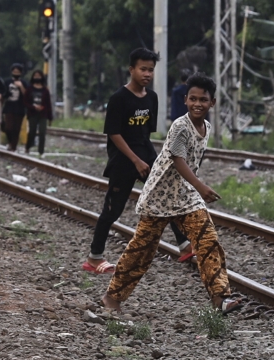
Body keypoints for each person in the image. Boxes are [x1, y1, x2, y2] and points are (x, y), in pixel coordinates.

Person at [100, 72, 242, 315]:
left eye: (203, 100)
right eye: (193, 99)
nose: (198, 104)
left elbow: (194, 160)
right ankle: (111, 298)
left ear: (212, 103)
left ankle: (220, 298)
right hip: (160, 197)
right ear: (185, 100)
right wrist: (201, 186)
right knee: (141, 251)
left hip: (185, 196)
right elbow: (178, 160)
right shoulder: (180, 126)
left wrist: (195, 188)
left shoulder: (206, 127)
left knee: (208, 242)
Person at [82, 48, 193, 275]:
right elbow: (114, 133)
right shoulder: (118, 99)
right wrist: (135, 160)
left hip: (146, 155)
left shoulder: (152, 98)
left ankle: (184, 245)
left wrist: (154, 159)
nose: (147, 74)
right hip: (123, 160)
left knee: (166, 196)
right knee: (112, 210)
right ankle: (94, 258)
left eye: (151, 70)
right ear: (131, 69)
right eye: (143, 69)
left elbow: (145, 133)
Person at [24, 70, 53, 156]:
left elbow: (48, 104)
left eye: (39, 76)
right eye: (35, 76)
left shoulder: (45, 90)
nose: (37, 78)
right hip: (32, 114)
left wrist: (50, 117)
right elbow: (25, 102)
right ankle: (28, 147)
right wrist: (33, 107)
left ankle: (41, 151)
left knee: (42, 132)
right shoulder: (29, 89)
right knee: (32, 132)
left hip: (43, 114)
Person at [2, 63, 28, 151]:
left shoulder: (24, 82)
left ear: (21, 73)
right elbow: (3, 94)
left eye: (17, 72)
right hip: (9, 107)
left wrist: (21, 87)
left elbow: (27, 95)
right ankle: (10, 142)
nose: (16, 73)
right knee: (8, 128)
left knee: (16, 129)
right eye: (14, 71)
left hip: (19, 108)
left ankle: (13, 146)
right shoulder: (7, 82)